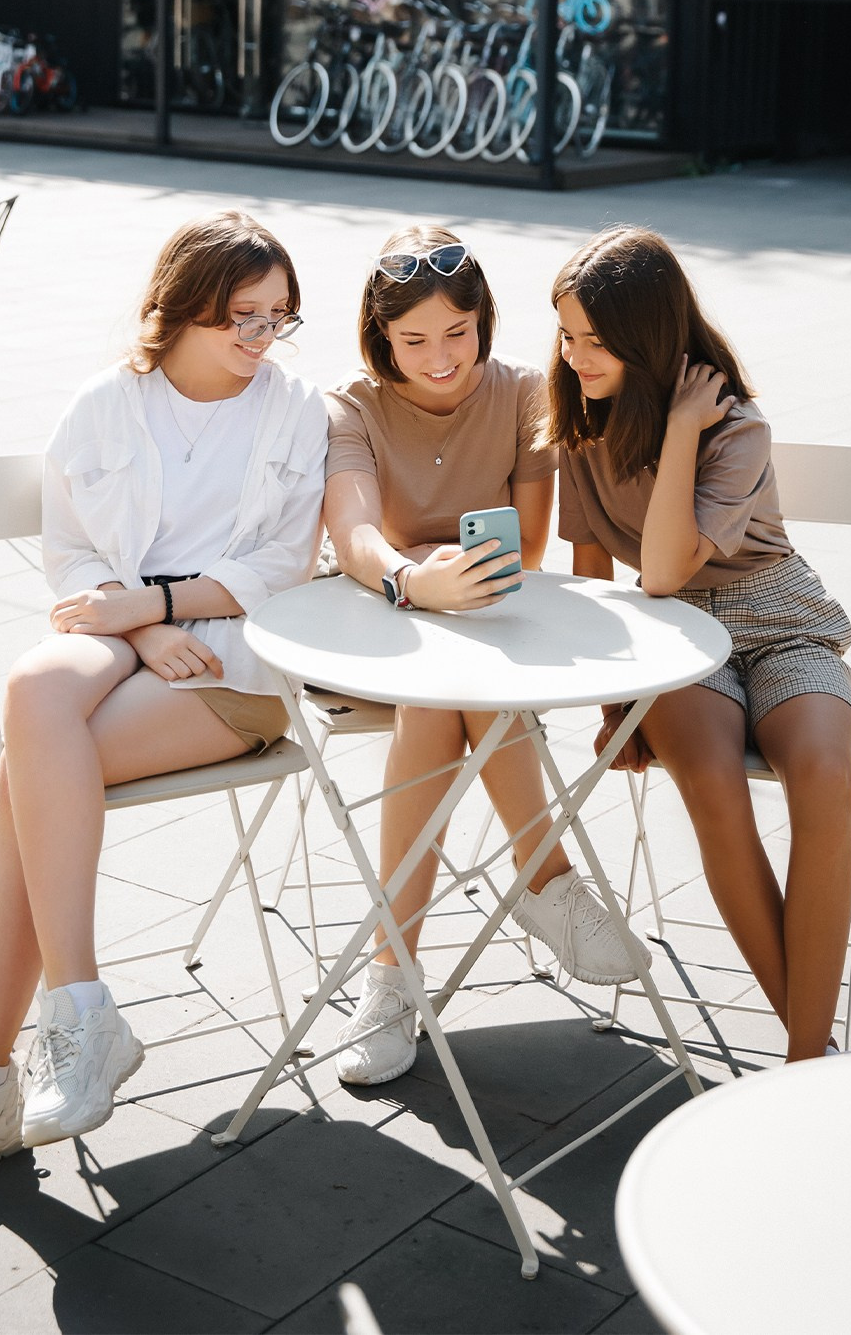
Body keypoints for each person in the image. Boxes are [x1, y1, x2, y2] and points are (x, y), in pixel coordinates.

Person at [0, 212, 328, 1199]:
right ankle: (76, 1009)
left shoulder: (295, 410)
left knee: (25, 771)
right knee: (33, 688)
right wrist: (139, 627)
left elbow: (284, 564)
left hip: (233, 672)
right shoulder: (106, 404)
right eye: (243, 318)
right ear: (183, 308)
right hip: (118, 642)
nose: (261, 339)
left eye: (280, 318)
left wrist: (154, 604)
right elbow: (72, 557)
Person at [323, 225, 650, 1087]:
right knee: (443, 686)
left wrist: (462, 588)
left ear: (484, 323)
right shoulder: (350, 406)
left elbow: (529, 546)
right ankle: (545, 876)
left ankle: (391, 974)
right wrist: (410, 581)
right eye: (414, 340)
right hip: (381, 619)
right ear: (380, 336)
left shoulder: (520, 395)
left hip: (492, 618)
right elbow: (353, 536)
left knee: (444, 696)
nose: (441, 360)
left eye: (458, 334)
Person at [547, 225, 851, 1063]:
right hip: (679, 641)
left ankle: (802, 1057)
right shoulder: (578, 431)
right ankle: (814, 1053)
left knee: (825, 777)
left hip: (780, 621)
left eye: (597, 339)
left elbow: (661, 565)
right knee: (714, 789)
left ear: (650, 337)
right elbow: (602, 585)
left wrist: (683, 431)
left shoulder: (734, 427)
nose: (575, 356)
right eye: (566, 333)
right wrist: (616, 699)